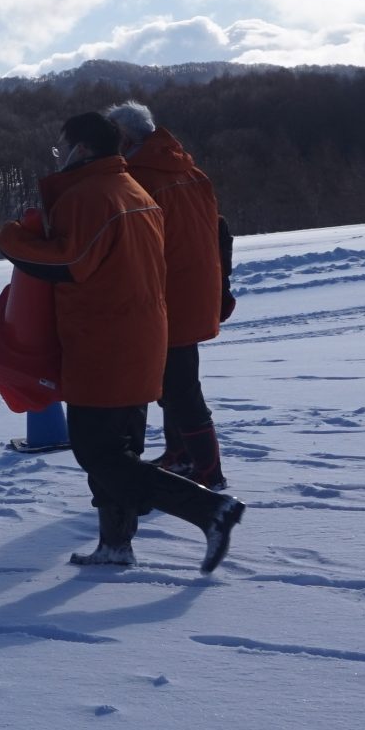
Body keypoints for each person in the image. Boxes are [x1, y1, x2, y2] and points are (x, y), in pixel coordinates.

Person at [0, 113, 245, 573]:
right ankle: (115, 544)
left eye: (62, 146)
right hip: (143, 338)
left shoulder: (92, 195)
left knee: (98, 453)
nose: (60, 155)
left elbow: (71, 262)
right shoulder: (134, 190)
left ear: (84, 149)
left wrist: (12, 239)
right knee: (119, 451)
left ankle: (210, 509)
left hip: (105, 343)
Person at [107, 101, 233, 488]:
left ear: (126, 138)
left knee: (179, 385)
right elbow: (220, 230)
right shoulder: (191, 170)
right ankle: (181, 454)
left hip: (165, 294)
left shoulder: (137, 178)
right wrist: (222, 284)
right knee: (172, 380)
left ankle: (209, 472)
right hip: (197, 288)